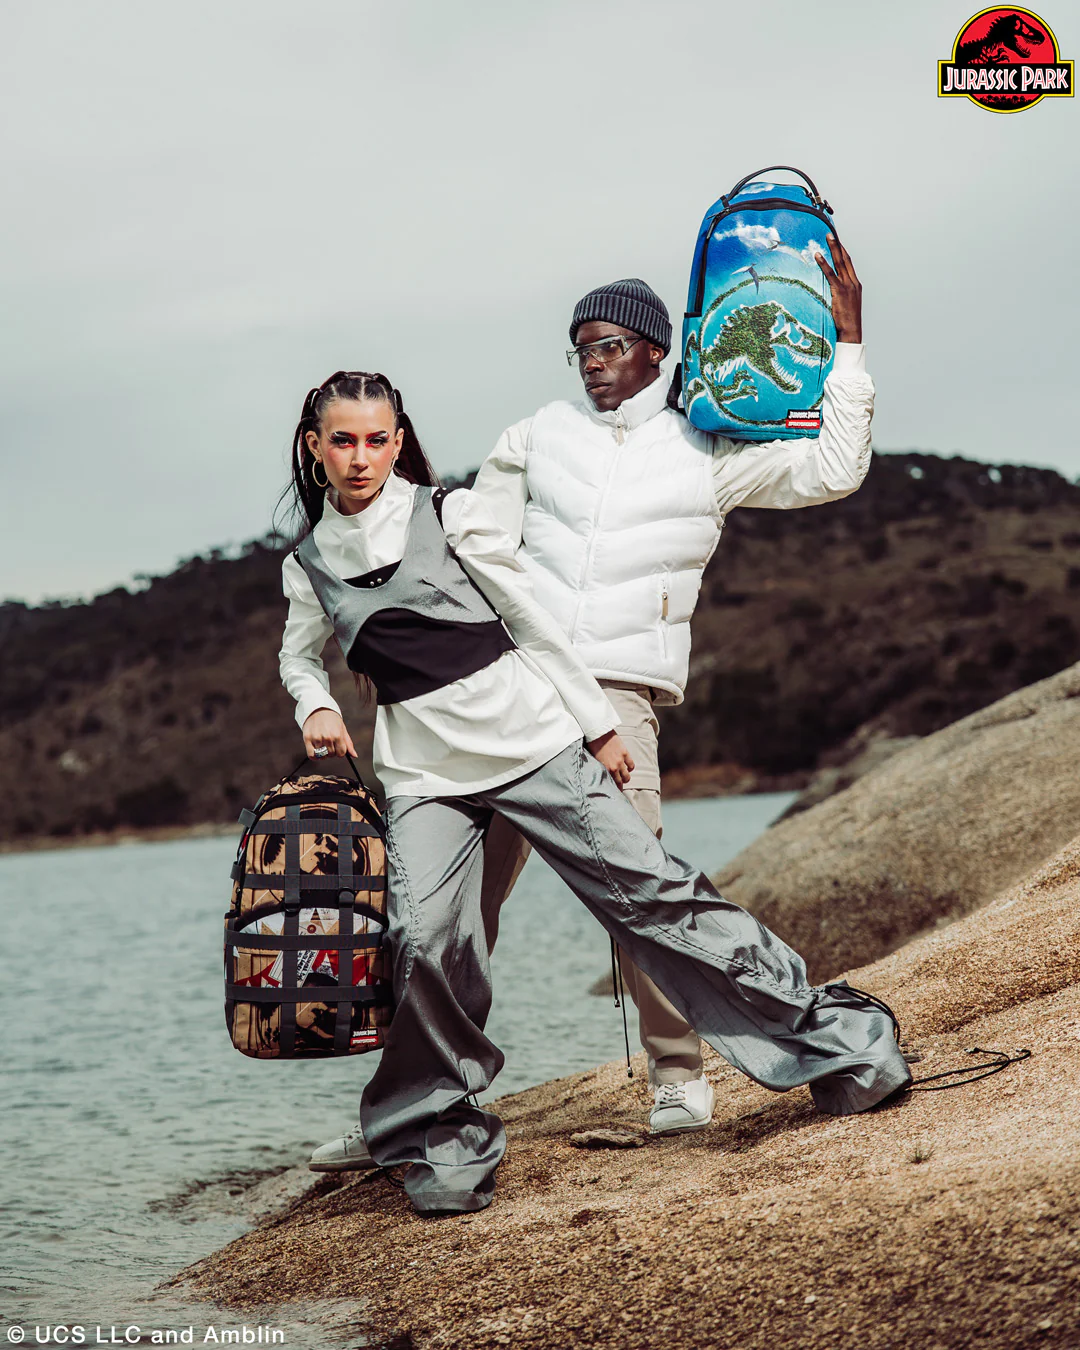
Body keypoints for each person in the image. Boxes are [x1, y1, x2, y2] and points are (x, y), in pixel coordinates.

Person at [278, 369, 911, 1216]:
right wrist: (316, 704)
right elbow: (297, 656)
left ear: (399, 442)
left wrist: (597, 725)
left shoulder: (451, 514)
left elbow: (531, 620)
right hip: (425, 775)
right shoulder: (308, 562)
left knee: (652, 895)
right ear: (315, 446)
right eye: (343, 440)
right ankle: (433, 1131)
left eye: (376, 439)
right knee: (423, 939)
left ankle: (835, 1040)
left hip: (533, 742)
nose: (361, 457)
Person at [469, 237, 872, 1133]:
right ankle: (435, 1093)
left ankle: (680, 1079)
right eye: (581, 349)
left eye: (610, 346)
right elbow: (478, 541)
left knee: (642, 895)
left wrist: (847, 346)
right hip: (514, 687)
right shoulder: (538, 434)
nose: (593, 363)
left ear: (657, 349)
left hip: (618, 697)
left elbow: (835, 469)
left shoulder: (708, 445)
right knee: (463, 903)